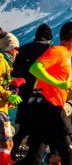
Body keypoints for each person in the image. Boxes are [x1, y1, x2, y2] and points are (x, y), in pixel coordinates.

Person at [18, 22, 72, 165]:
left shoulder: (64, 55)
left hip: (40, 107)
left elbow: (42, 80)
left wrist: (64, 85)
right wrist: (58, 84)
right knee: (68, 153)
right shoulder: (59, 51)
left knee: (34, 158)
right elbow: (35, 68)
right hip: (50, 107)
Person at [10, 24, 53, 160]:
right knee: (41, 127)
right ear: (50, 38)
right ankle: (37, 156)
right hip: (42, 95)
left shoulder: (23, 50)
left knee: (22, 125)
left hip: (24, 92)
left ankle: (11, 152)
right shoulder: (50, 50)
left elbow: (15, 72)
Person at [0, 31, 22, 165]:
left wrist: (12, 90)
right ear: (9, 48)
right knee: (7, 144)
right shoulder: (1, 61)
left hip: (3, 109)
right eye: (16, 49)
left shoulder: (6, 64)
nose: (17, 52)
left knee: (7, 144)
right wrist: (9, 95)